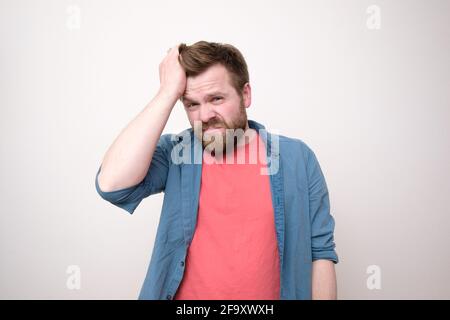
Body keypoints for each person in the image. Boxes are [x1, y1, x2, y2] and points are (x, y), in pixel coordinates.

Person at [95, 41, 339, 300]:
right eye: (192, 104)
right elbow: (112, 185)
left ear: (245, 94)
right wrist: (167, 92)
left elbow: (320, 253)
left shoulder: (296, 159)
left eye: (216, 99)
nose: (205, 114)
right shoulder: (177, 153)